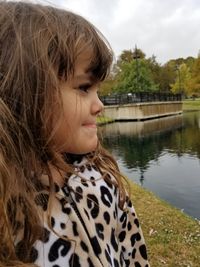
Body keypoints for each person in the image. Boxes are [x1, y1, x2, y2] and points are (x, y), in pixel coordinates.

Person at [0, 1, 150, 266]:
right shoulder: (9, 211)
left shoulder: (104, 178)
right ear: (22, 94)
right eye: (83, 88)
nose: (100, 105)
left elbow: (132, 251)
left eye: (97, 90)